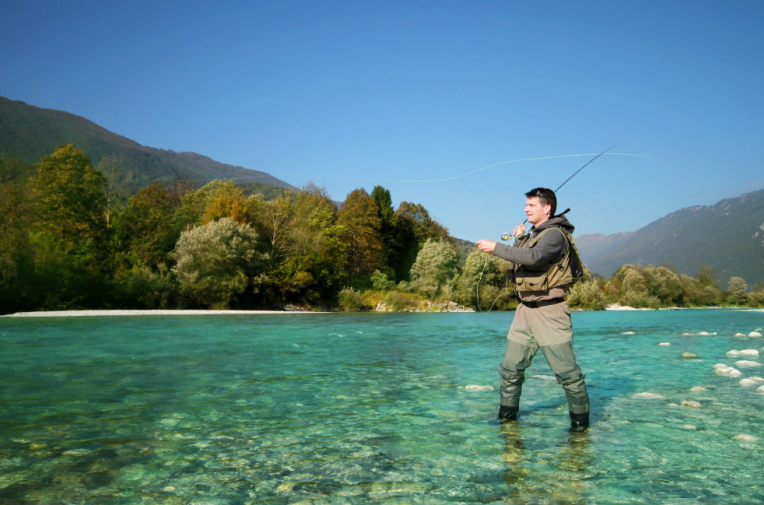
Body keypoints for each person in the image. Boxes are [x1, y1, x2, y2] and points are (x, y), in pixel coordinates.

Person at [476, 187, 590, 429]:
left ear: (547, 208)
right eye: (526, 205)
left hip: (550, 312)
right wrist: (519, 240)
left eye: (531, 205)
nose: (526, 209)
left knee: (568, 375)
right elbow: (526, 256)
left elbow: (535, 257)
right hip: (524, 311)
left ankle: (580, 430)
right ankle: (507, 424)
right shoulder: (533, 235)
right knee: (510, 369)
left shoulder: (555, 235)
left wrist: (497, 247)